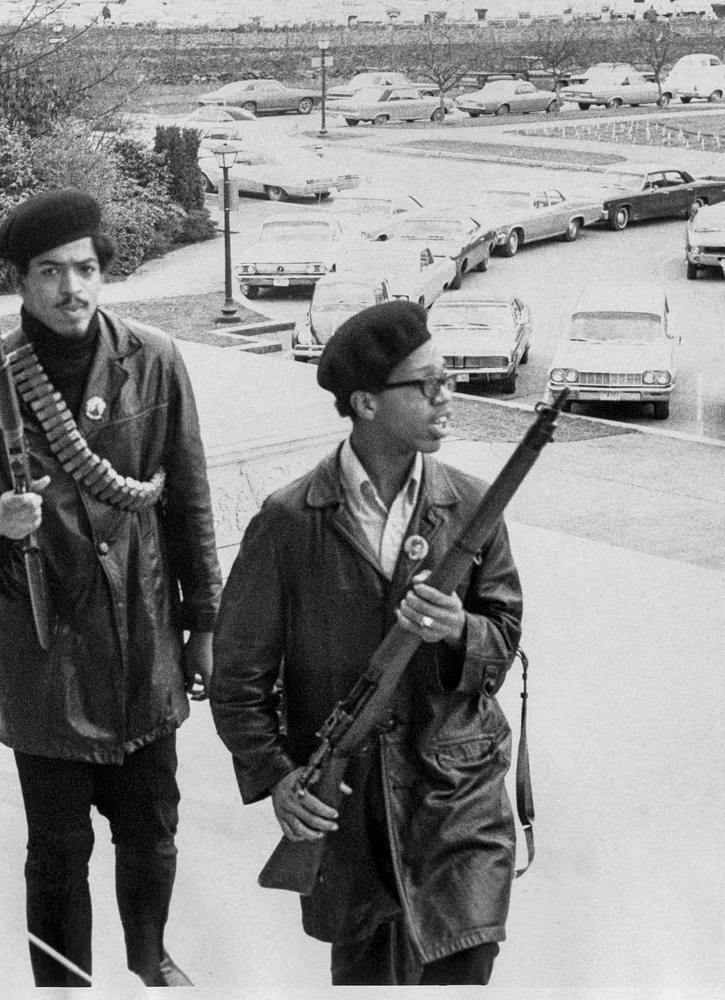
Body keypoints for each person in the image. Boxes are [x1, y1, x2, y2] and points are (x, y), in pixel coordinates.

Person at [0, 190, 222, 987]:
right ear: (20, 284)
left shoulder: (154, 361)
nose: (73, 289)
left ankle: (148, 959)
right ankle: (63, 984)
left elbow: (189, 500)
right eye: (51, 272)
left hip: (141, 636)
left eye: (87, 268)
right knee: (56, 850)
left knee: (152, 828)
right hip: (43, 647)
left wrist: (205, 623)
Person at [210, 300, 524, 986]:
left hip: (457, 798)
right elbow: (236, 681)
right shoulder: (291, 522)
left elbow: (503, 640)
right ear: (367, 404)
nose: (447, 396)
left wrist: (458, 630)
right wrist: (279, 777)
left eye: (447, 379)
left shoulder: (473, 507)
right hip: (350, 811)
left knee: (463, 966)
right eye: (427, 383)